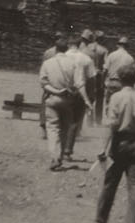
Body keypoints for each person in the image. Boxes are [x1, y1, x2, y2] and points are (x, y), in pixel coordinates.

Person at [94, 64, 135, 223]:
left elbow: (111, 125)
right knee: (134, 185)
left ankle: (101, 218)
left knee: (110, 182)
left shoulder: (116, 97)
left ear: (120, 79)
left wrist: (103, 148)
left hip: (120, 143)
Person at [38, 39, 80, 171]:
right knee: (65, 129)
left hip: (52, 98)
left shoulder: (47, 63)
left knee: (53, 128)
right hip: (68, 100)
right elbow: (78, 84)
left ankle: (54, 157)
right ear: (66, 49)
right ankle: (61, 156)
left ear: (55, 49)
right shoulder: (73, 64)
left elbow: (43, 83)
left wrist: (57, 91)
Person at [62, 34, 96, 161]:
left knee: (62, 120)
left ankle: (59, 148)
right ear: (80, 44)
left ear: (68, 44)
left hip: (62, 90)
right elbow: (92, 78)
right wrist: (90, 97)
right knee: (74, 122)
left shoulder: (61, 57)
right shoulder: (86, 58)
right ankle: (67, 151)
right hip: (78, 93)